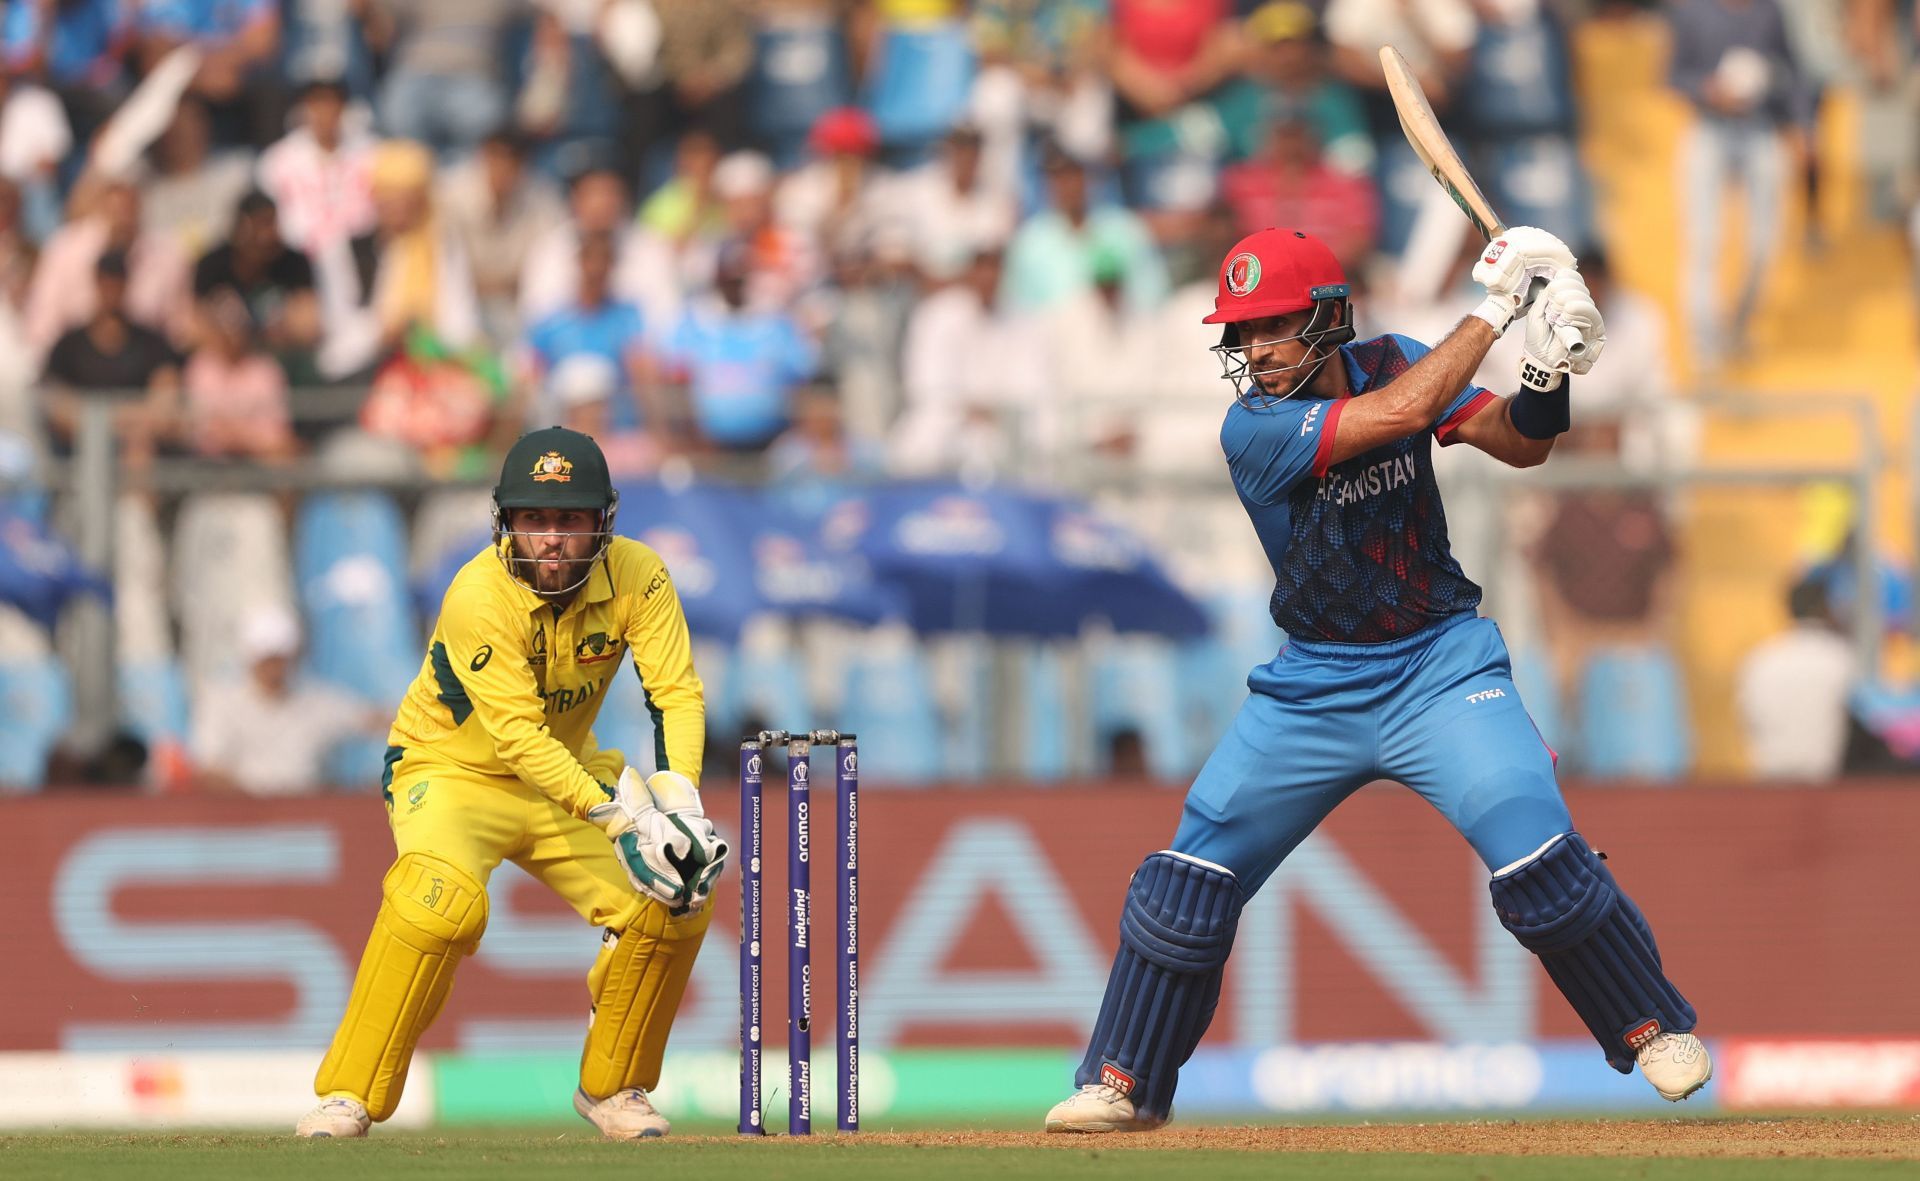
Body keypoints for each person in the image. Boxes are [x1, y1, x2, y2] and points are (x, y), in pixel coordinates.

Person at [1042, 226, 1711, 1134]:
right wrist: (1500, 308)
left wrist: (1547, 373)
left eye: (1272, 326)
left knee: (1534, 846)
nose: (1255, 351)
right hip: (1312, 685)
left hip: (1439, 666)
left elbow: (1520, 444)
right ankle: (1124, 1078)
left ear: (1327, 317)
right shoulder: (1254, 426)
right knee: (1186, 881)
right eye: (1243, 332)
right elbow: (1396, 416)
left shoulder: (1393, 357)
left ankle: (1654, 1026)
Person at [297, 426, 727, 1141]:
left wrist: (678, 802)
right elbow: (516, 737)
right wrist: (622, 819)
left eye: (569, 519)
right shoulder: (477, 593)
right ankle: (348, 1094)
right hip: (450, 768)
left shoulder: (641, 574)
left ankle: (613, 1087)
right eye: (535, 519)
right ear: (506, 523)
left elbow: (675, 693)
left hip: (564, 766)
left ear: (603, 521)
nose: (552, 539)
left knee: (675, 894)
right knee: (439, 905)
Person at [189, 605, 381, 795]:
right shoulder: (221, 701)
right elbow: (209, 768)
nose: (273, 668)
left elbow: (371, 719)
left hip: (307, 809)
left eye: (279, 659)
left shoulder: (314, 699)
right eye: (267, 659)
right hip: (243, 814)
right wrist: (258, 801)